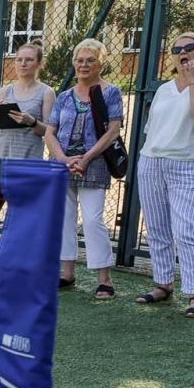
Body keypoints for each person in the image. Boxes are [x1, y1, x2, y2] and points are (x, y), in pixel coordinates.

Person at [133, 31, 194, 319]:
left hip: (189, 164)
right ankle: (163, 284)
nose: (183, 53)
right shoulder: (164, 89)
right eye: (177, 49)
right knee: (157, 228)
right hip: (152, 162)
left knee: (186, 230)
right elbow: (152, 130)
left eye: (189, 47)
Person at [0, 41, 54, 274]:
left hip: (27, 164)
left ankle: (19, 262)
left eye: (29, 60)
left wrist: (30, 121)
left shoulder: (46, 92)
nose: (23, 64)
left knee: (23, 216)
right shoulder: (5, 91)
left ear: (39, 63)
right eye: (19, 59)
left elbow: (48, 131)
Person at [43, 38, 121, 300]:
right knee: (63, 218)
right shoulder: (65, 96)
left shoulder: (110, 93)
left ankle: (104, 279)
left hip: (94, 164)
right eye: (79, 60)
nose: (84, 65)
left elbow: (113, 131)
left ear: (101, 64)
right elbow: (50, 132)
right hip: (62, 165)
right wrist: (63, 159)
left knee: (92, 219)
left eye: (90, 60)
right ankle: (67, 273)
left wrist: (86, 158)